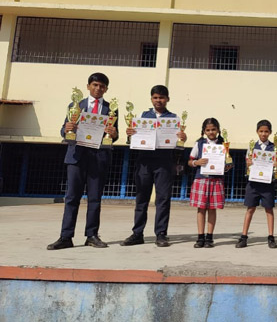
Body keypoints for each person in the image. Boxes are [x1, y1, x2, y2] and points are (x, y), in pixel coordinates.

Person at [48, 73, 118, 250]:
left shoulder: (111, 109)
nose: (98, 88)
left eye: (102, 86)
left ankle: (92, 235)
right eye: (95, 85)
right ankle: (66, 236)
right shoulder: (75, 105)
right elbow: (64, 130)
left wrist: (114, 133)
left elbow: (114, 135)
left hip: (98, 157)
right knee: (72, 198)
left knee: (95, 199)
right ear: (88, 86)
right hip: (76, 156)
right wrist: (67, 129)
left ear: (106, 89)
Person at [121, 85, 186, 248]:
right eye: (155, 97)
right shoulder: (142, 116)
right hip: (144, 161)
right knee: (141, 198)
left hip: (164, 162)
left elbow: (178, 142)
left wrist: (182, 138)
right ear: (151, 99)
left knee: (163, 199)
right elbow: (134, 138)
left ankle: (161, 234)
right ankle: (137, 233)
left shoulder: (173, 119)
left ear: (167, 99)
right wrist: (131, 134)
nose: (158, 100)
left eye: (162, 97)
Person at [187, 118, 229, 248]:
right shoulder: (199, 143)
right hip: (201, 179)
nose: (211, 132)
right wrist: (196, 162)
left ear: (218, 130)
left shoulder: (223, 144)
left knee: (212, 209)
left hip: (216, 180)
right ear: (204, 131)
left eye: (213, 129)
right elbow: (190, 161)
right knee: (201, 209)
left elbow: (228, 161)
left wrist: (227, 166)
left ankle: (209, 237)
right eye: (208, 130)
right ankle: (200, 237)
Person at [237, 120, 277, 248]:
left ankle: (271, 237)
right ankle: (244, 236)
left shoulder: (274, 147)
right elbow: (247, 164)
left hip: (267, 183)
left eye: (266, 131)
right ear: (257, 132)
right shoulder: (252, 147)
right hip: (253, 183)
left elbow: (276, 167)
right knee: (250, 209)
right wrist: (248, 164)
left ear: (270, 132)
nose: (263, 134)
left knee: (269, 210)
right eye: (261, 131)